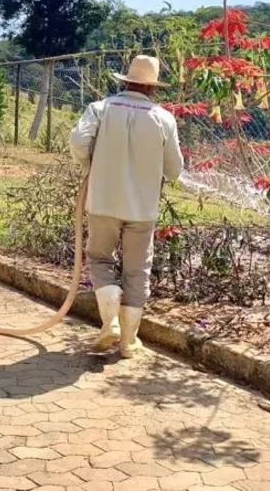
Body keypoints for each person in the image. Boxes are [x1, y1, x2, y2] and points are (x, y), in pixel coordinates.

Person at [68, 54, 184, 358]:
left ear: (127, 80)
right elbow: (174, 170)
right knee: (137, 270)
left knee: (100, 258)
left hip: (103, 200)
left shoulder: (101, 109)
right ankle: (128, 342)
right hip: (143, 208)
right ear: (153, 87)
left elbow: (78, 141)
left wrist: (90, 164)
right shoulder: (164, 118)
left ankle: (110, 323)